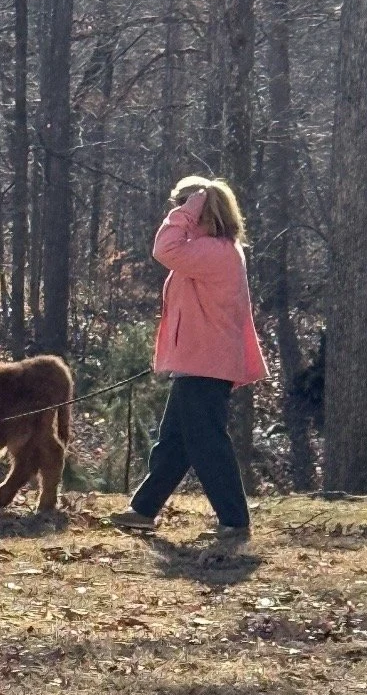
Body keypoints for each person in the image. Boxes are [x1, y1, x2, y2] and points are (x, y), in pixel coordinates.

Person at [112, 176, 268, 541]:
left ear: (199, 212)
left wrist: (188, 208)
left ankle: (234, 520)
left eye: (181, 207)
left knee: (207, 442)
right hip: (196, 361)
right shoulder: (209, 252)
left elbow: (164, 249)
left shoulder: (216, 252)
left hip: (206, 363)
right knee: (175, 442)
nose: (175, 213)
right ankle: (143, 509)